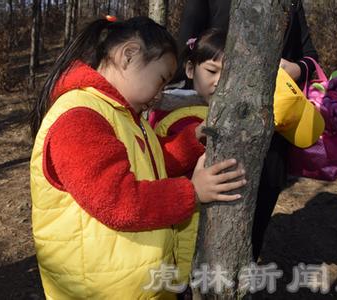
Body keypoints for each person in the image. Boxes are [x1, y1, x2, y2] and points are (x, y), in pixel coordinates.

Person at [29, 16, 247, 299]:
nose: (159, 95)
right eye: (160, 79)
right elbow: (119, 200)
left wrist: (193, 140)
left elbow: (152, 162)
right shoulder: (80, 117)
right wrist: (192, 192)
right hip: (101, 291)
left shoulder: (124, 116)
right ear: (128, 55)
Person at [169, 0, 319, 260]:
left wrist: (294, 68)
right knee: (202, 230)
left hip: (271, 135)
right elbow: (186, 49)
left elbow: (311, 58)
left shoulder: (290, 3)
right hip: (213, 125)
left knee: (253, 232)